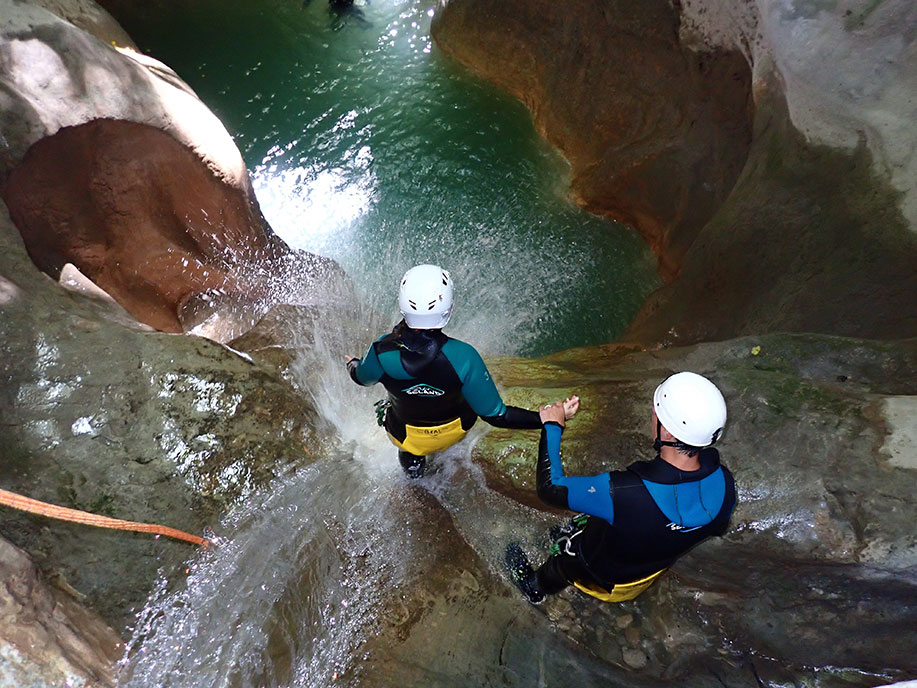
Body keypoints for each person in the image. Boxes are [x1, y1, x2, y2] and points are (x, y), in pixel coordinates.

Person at [506, 372, 736, 604]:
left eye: (655, 413)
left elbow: (550, 488)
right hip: (642, 577)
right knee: (615, 516)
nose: (652, 417)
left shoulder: (624, 490)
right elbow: (716, 527)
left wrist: (553, 425)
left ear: (666, 432)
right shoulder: (725, 486)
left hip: (595, 574)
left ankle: (533, 587)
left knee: (561, 566)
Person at [346, 264, 549, 478]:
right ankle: (448, 459)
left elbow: (361, 378)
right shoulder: (464, 355)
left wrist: (352, 364)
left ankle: (414, 476)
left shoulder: (381, 351)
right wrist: (545, 419)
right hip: (456, 431)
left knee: (407, 444)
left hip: (406, 437)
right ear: (449, 309)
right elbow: (498, 415)